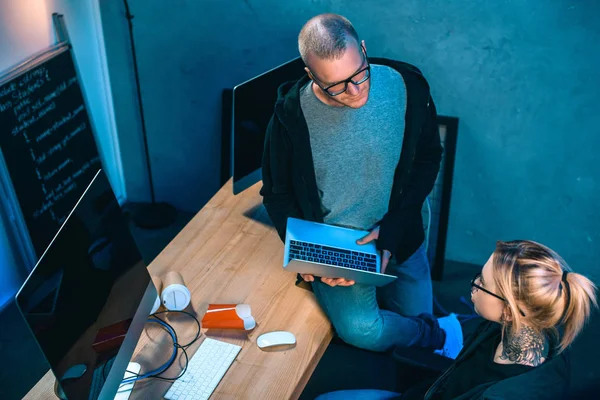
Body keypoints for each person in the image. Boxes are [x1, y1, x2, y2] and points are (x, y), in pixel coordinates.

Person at [259, 12, 458, 354]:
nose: (354, 91)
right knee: (363, 331)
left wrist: (393, 228)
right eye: (335, 85)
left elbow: (428, 158)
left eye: (359, 75)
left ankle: (430, 328)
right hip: (336, 246)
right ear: (311, 75)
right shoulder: (289, 115)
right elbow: (276, 194)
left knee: (418, 327)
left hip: (402, 226)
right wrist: (311, 257)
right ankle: (434, 333)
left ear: (363, 50)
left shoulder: (406, 84)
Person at [316, 240, 598, 399]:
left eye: (482, 283)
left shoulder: (509, 394)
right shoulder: (512, 325)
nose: (472, 284)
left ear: (511, 310)